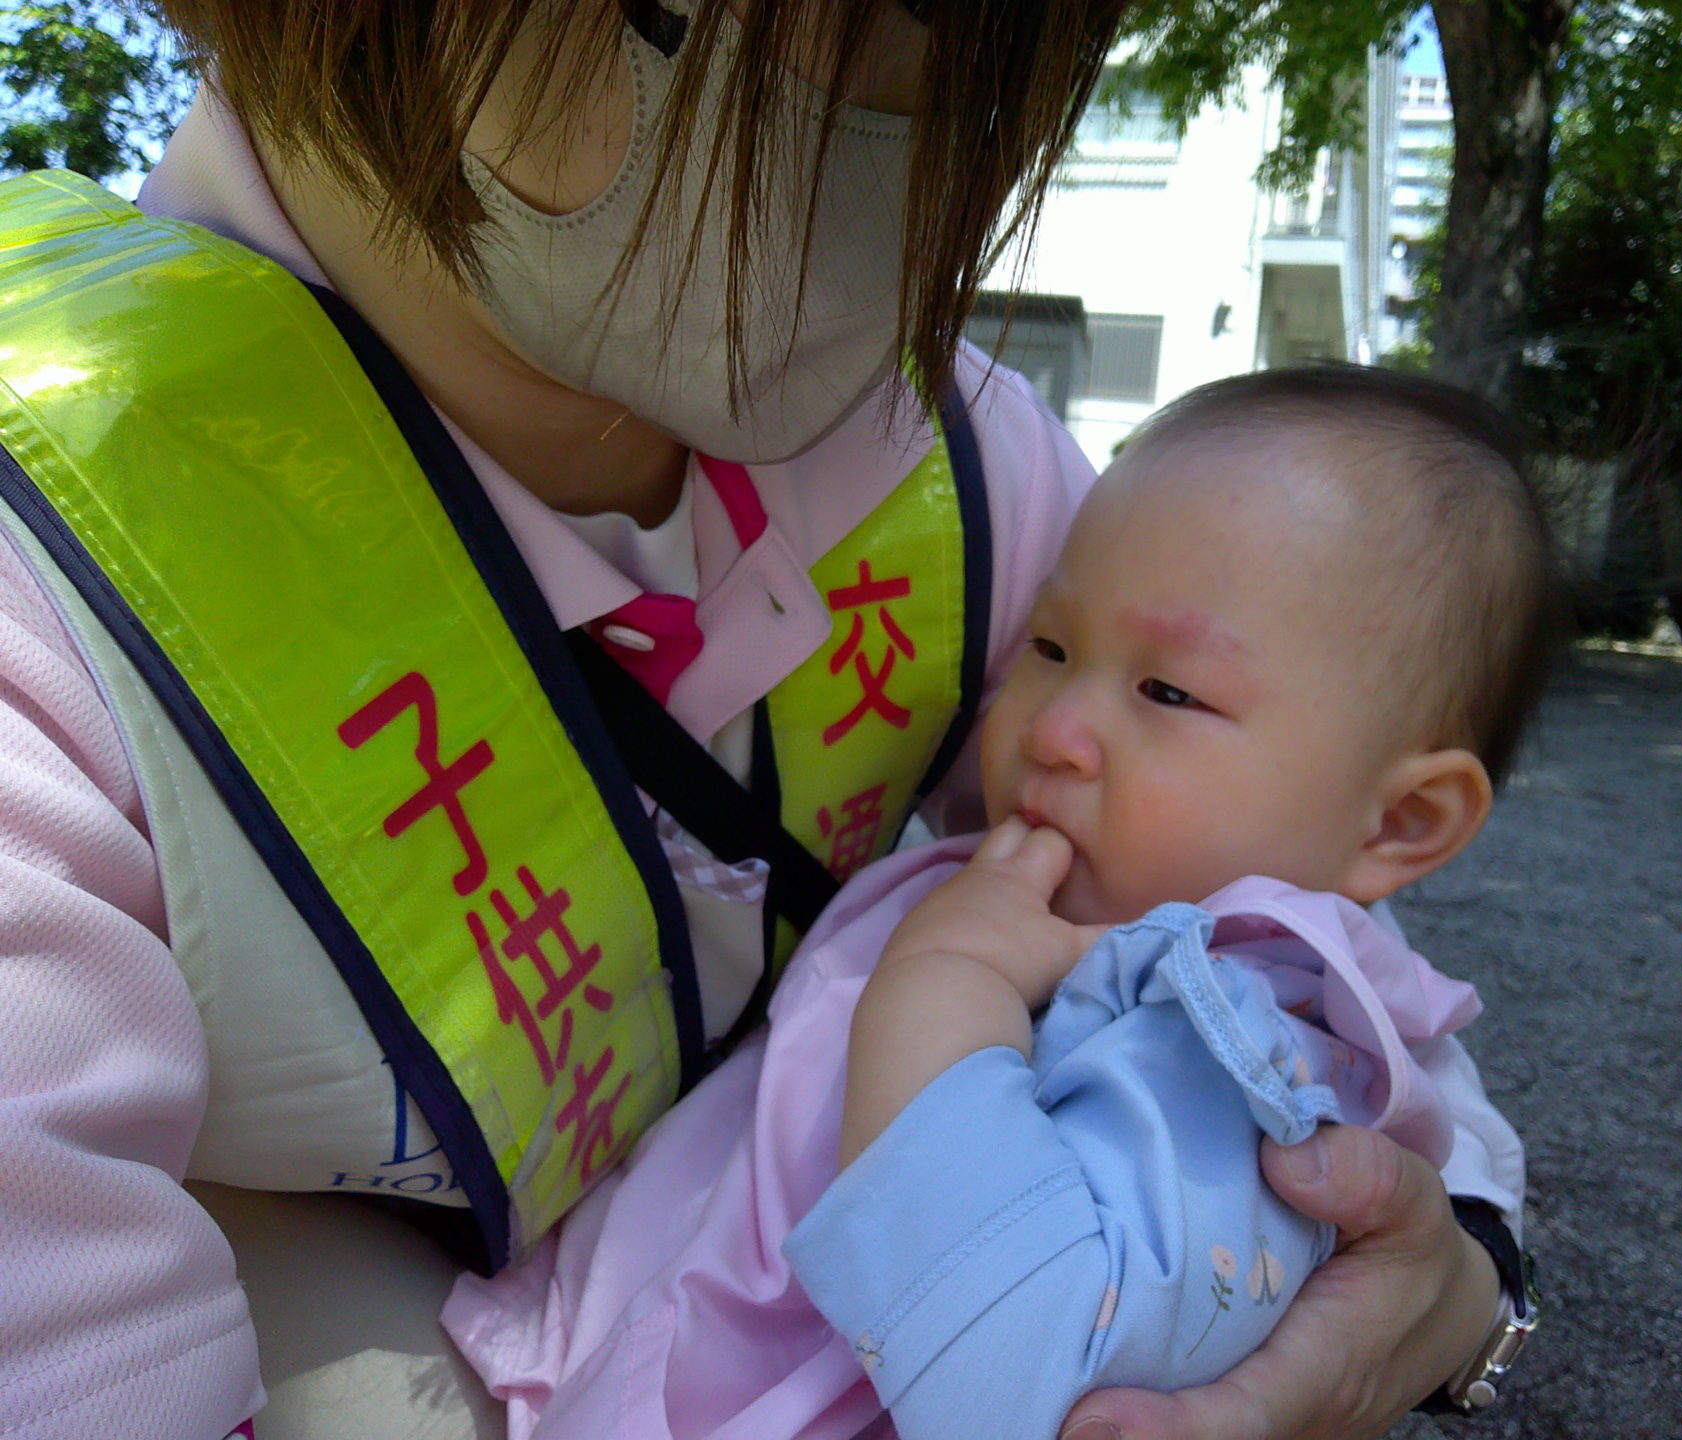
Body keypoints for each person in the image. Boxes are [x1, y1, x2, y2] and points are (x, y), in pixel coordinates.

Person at [0, 3, 1524, 1437]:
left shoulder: (969, 465)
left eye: (962, 30)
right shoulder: (54, 540)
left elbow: (1287, 914)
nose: (870, 80)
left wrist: (1458, 1276)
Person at [440, 366, 1554, 1440]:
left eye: (1170, 691)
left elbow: (1015, 1374)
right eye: (1051, 647)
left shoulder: (1232, 1055)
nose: (1053, 728)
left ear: (1401, 823)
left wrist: (948, 985)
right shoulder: (1067, 883)